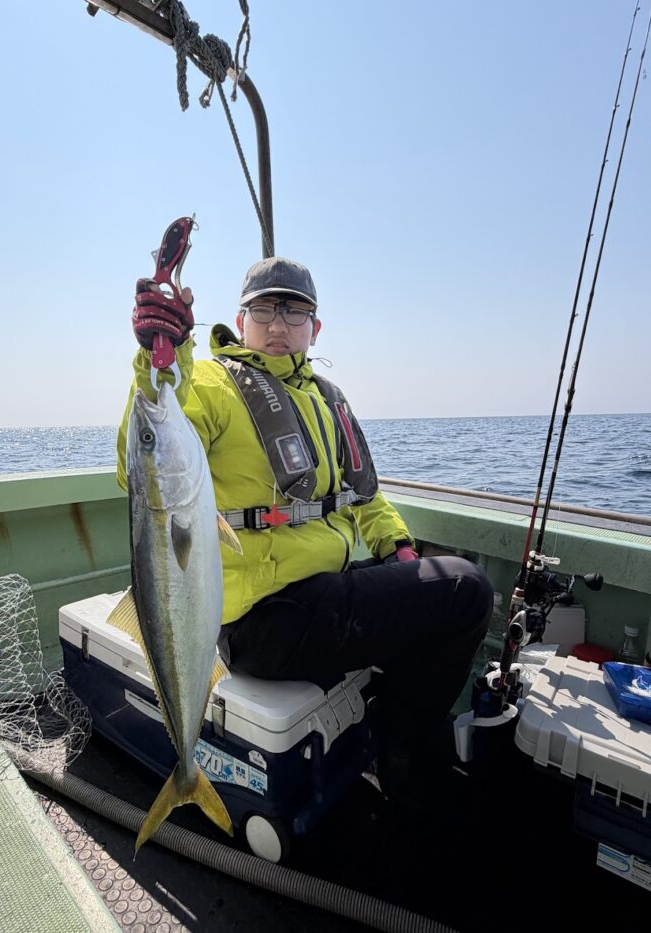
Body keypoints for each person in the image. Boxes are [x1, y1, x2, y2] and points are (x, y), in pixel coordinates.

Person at [116, 254, 493, 816]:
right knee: (467, 592)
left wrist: (399, 548)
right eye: (263, 309)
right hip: (264, 618)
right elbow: (146, 457)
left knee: (438, 583)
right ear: (239, 320)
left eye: (294, 313)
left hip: (322, 592)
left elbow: (363, 492)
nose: (277, 325)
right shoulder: (214, 384)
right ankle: (409, 767)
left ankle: (392, 744)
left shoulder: (325, 398)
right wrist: (159, 360)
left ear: (315, 328)